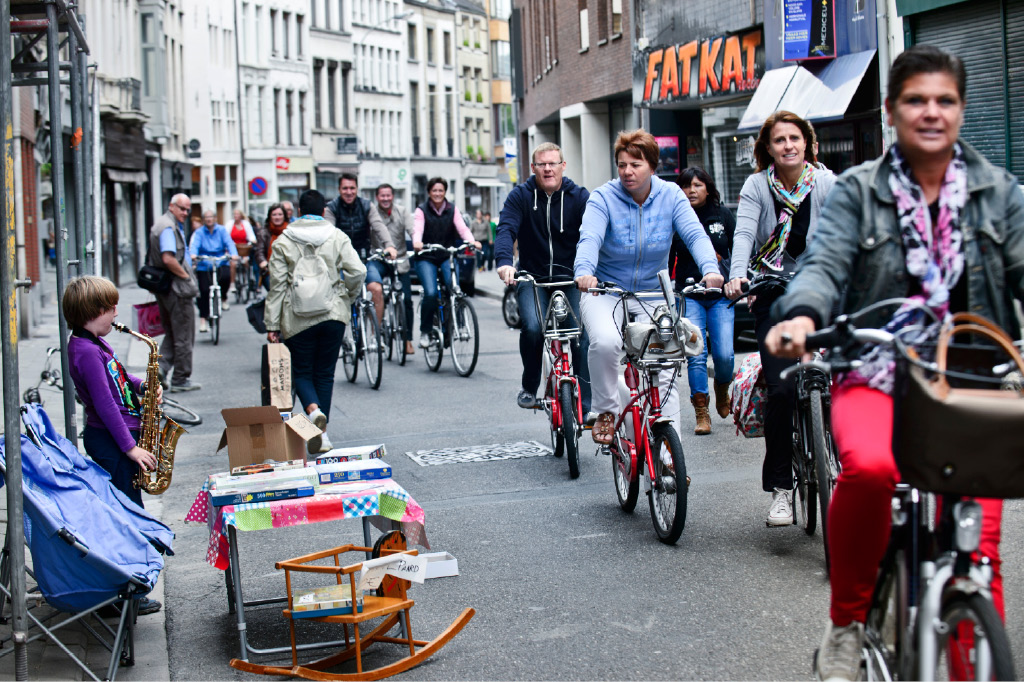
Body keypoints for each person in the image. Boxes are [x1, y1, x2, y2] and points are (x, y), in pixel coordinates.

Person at [765, 45, 1018, 681]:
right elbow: (823, 264)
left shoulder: (999, 193)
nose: (931, 112)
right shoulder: (855, 191)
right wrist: (800, 317)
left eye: (945, 101)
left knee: (977, 553)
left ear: (961, 110)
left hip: (972, 382)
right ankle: (848, 622)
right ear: (891, 111)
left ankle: (971, 655)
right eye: (916, 100)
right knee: (872, 470)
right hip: (879, 368)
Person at [723, 110, 837, 527]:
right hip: (773, 292)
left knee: (843, 378)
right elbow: (743, 233)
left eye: (795, 138)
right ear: (767, 148)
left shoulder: (826, 183)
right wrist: (737, 275)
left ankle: (844, 468)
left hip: (822, 290)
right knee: (783, 387)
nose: (788, 145)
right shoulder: (757, 186)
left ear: (806, 143)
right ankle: (782, 490)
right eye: (779, 140)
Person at [574, 129, 722, 444]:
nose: (627, 171)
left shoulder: (671, 196)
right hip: (605, 291)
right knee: (605, 342)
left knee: (664, 363)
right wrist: (584, 271)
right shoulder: (603, 197)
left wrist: (711, 269)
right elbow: (590, 238)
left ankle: (669, 452)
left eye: (636, 164)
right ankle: (605, 411)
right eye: (622, 164)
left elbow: (695, 235)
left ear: (652, 166)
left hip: (652, 293)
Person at [63, 275, 163, 615]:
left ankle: (129, 592)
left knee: (130, 511)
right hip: (111, 440)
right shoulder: (85, 350)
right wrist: (130, 448)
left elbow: (118, 375)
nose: (115, 313)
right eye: (109, 308)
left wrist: (141, 386)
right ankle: (125, 597)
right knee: (127, 515)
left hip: (118, 436)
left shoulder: (97, 342)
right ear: (92, 311)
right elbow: (105, 406)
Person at [265, 189, 366, 455]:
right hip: (332, 314)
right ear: (324, 211)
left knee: (302, 372)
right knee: (325, 374)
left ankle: (312, 412)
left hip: (296, 317)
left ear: (297, 211)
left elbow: (276, 286)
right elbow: (358, 270)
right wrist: (347, 296)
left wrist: (272, 325)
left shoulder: (284, 239)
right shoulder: (336, 235)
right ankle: (322, 434)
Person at [496, 142, 592, 416]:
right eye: (542, 164)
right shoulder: (521, 197)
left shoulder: (580, 197)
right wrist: (505, 263)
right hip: (531, 276)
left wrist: (593, 270)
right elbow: (506, 229)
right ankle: (529, 387)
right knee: (534, 328)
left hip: (572, 278)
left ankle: (586, 404)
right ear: (533, 168)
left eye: (553, 163)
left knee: (580, 336)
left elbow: (594, 234)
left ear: (563, 165)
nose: (547, 168)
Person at [670, 167, 736, 435]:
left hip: (720, 297)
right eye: (686, 186)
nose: (691, 190)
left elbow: (741, 250)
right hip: (690, 297)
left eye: (697, 185)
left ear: (708, 188)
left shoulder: (723, 216)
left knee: (724, 355)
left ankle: (722, 386)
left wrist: (728, 272)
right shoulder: (676, 218)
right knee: (695, 355)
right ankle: (701, 411)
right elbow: (666, 257)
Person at [411, 177, 482, 347]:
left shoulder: (452, 209)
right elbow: (418, 228)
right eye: (434, 190)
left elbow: (462, 228)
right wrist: (417, 242)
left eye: (440, 190)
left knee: (454, 289)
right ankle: (426, 331)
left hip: (445, 256)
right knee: (430, 293)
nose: (437, 193)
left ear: (445, 192)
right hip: (426, 257)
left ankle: (460, 326)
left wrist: (472, 241)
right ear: (429, 192)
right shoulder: (421, 210)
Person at [324, 173, 397, 328]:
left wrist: (389, 245)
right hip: (341, 261)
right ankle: (343, 337)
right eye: (345, 188)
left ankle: (374, 335)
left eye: (352, 188)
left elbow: (378, 225)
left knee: (376, 289)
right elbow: (328, 232)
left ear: (357, 189)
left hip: (364, 258)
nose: (349, 192)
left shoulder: (366, 205)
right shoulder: (331, 208)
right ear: (339, 189)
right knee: (339, 296)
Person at [148, 194, 200, 392]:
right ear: (171, 206)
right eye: (182, 208)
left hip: (166, 288)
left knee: (172, 332)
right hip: (176, 289)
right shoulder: (168, 227)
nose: (185, 213)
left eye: (188, 209)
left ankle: (160, 370)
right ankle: (181, 377)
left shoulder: (162, 224)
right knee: (184, 334)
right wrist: (186, 277)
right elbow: (168, 258)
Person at [373, 183, 416, 356]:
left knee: (406, 300)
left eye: (388, 195)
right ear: (377, 197)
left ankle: (407, 339)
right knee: (377, 295)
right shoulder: (372, 212)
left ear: (393, 196)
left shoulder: (402, 211)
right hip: (379, 260)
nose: (385, 198)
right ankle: (379, 332)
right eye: (382, 195)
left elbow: (412, 229)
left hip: (399, 261)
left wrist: (416, 240)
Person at [189, 209, 238, 331]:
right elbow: (195, 245)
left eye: (211, 217)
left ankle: (223, 297)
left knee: (226, 277)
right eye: (206, 217)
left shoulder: (221, 230)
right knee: (204, 291)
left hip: (220, 261)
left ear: (215, 218)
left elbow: (229, 243)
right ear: (204, 220)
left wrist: (234, 254)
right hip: (204, 264)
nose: (209, 219)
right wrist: (193, 255)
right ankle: (203, 320)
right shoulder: (200, 232)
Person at [254, 203, 289, 290]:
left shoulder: (290, 231)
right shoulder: (263, 232)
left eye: (280, 214)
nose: (277, 217)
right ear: (270, 217)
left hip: (288, 269)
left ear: (284, 216)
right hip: (270, 271)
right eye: (274, 215)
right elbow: (259, 251)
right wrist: (263, 262)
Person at [229, 209, 257, 296]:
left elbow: (251, 235)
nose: (236, 216)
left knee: (246, 261)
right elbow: (226, 236)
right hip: (233, 248)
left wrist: (252, 240)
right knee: (232, 264)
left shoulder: (245, 224)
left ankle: (248, 278)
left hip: (244, 248)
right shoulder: (230, 224)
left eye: (237, 214)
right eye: (234, 214)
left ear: (241, 215)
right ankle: (233, 283)